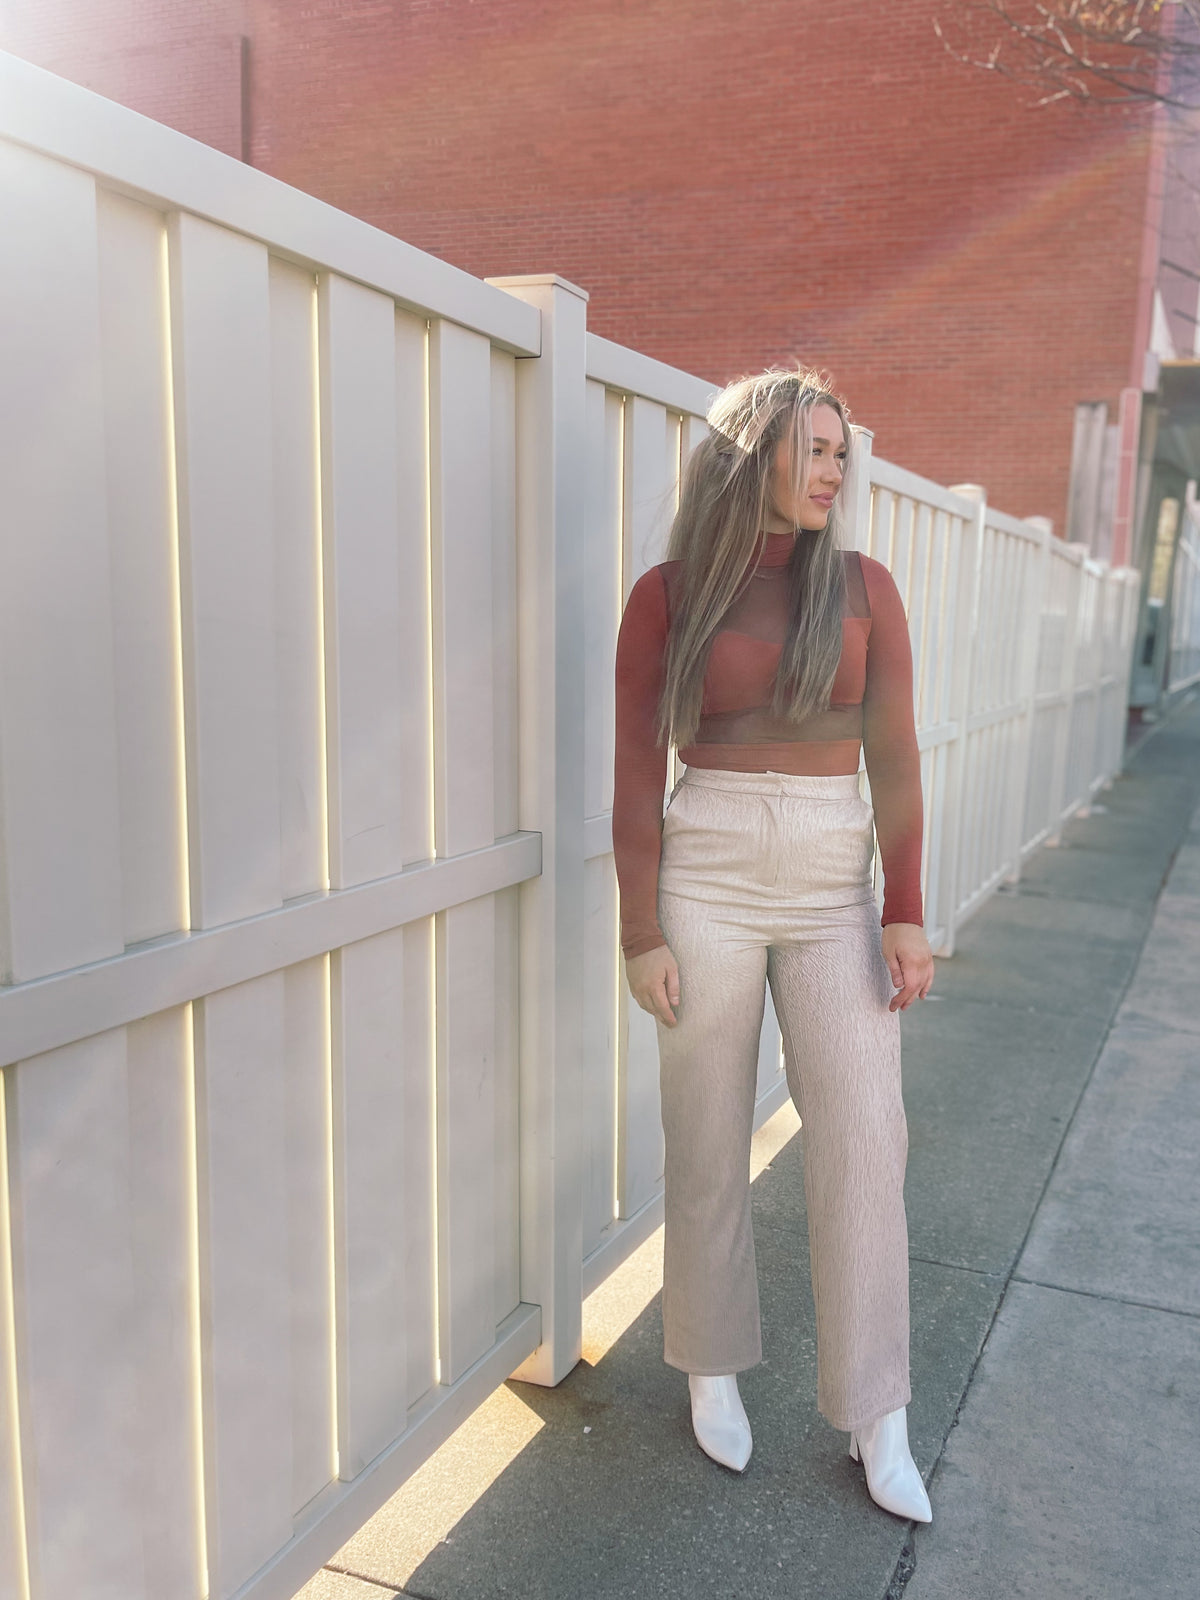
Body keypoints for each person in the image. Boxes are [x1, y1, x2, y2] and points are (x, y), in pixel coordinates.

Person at [612, 366, 935, 1523]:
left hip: (829, 873)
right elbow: (634, 769)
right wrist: (640, 927)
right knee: (704, 1128)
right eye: (813, 449)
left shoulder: (862, 587)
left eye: (842, 452)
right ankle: (710, 1363)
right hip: (704, 867)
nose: (833, 471)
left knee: (864, 1131)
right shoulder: (668, 594)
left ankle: (877, 1410)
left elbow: (894, 754)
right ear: (751, 456)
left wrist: (904, 905)